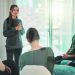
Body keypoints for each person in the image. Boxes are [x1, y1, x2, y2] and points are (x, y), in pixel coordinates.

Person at [3, 4, 25, 74]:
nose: (16, 11)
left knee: (17, 65)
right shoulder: (6, 21)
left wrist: (20, 29)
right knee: (9, 65)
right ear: (10, 11)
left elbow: (22, 32)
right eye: (14, 10)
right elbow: (5, 34)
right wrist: (15, 29)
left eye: (17, 10)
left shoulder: (19, 21)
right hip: (10, 46)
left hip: (19, 46)